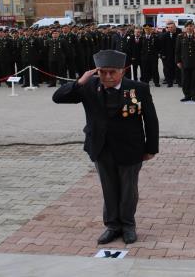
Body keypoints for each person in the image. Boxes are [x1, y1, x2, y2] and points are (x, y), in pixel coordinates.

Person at [52, 50, 158, 245]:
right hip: (101, 146)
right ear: (96, 72)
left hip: (130, 147)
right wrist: (79, 82)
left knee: (128, 189)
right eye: (103, 72)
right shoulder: (89, 86)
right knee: (108, 188)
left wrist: (151, 148)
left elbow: (150, 120)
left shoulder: (138, 88)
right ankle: (112, 226)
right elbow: (57, 97)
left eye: (112, 72)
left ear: (123, 71)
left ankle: (127, 225)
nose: (107, 76)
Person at [175, 21, 195, 102]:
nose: (189, 28)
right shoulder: (180, 36)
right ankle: (187, 95)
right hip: (184, 62)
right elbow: (177, 50)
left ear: (193, 27)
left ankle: (194, 96)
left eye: (191, 26)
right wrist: (178, 61)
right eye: (188, 26)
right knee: (185, 80)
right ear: (185, 28)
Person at [159, 21, 180, 87]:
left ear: (175, 27)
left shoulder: (179, 35)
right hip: (167, 55)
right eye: (169, 27)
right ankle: (169, 82)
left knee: (178, 69)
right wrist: (162, 55)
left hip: (177, 55)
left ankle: (179, 82)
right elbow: (161, 46)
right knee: (168, 69)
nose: (170, 28)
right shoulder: (164, 35)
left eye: (172, 27)